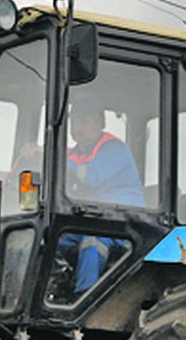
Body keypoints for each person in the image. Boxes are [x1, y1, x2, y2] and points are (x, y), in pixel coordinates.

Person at [61, 99, 145, 292]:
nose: (77, 128)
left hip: (127, 224)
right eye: (74, 122)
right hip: (97, 219)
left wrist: (53, 157)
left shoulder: (115, 149)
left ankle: (84, 296)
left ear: (100, 123)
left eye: (83, 121)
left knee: (93, 241)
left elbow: (90, 177)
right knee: (53, 239)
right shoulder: (75, 155)